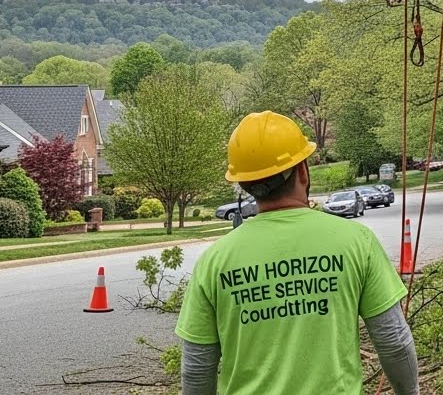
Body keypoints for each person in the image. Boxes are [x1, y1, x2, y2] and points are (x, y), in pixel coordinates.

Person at [176, 111, 419, 395]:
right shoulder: (356, 241)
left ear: (244, 184)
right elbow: (393, 340)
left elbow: (197, 367)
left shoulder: (215, 261)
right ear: (303, 170)